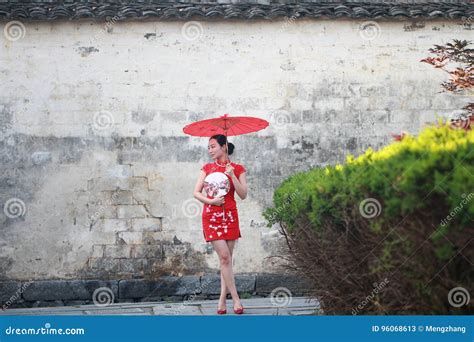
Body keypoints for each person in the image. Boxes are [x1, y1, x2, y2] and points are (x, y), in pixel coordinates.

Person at [193, 134, 248, 315]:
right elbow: (196, 193)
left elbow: (243, 194)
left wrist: (232, 176)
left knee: (226, 261)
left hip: (230, 216)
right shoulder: (207, 168)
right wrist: (212, 202)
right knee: (224, 256)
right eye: (208, 147)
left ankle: (222, 300)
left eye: (213, 146)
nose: (210, 150)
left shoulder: (238, 169)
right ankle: (237, 300)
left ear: (224, 146)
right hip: (211, 216)